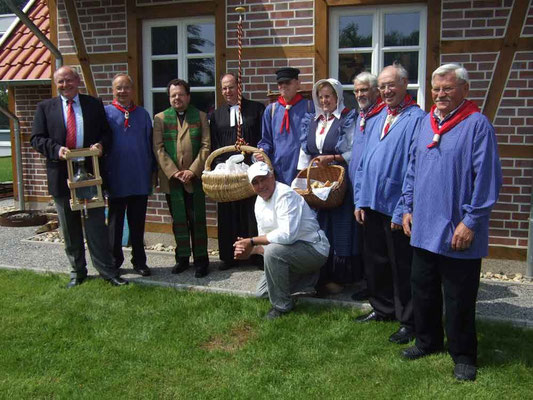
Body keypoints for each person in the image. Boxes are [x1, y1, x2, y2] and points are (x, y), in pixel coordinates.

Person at [400, 64, 502, 382]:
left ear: (464, 90)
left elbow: (487, 178)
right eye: (436, 89)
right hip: (424, 225)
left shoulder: (477, 125)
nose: (440, 94)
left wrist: (471, 221)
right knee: (423, 288)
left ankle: (463, 355)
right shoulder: (425, 123)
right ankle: (428, 341)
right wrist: (407, 207)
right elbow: (413, 168)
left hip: (459, 229)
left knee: (459, 295)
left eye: (447, 88)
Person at [31, 66, 128, 288]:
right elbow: (36, 138)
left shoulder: (93, 104)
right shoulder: (46, 108)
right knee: (69, 225)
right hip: (61, 174)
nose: (65, 85)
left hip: (90, 171)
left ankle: (107, 271)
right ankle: (77, 271)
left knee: (95, 224)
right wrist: (57, 149)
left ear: (77, 80)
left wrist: (101, 145)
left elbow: (107, 133)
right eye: (60, 82)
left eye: (69, 80)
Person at [353, 64, 426, 345]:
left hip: (395, 207)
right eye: (382, 86)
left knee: (402, 267)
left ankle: (408, 320)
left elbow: (413, 166)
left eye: (390, 85)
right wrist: (360, 199)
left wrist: (402, 208)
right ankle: (382, 308)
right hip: (370, 202)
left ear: (405, 84)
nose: (385, 91)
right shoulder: (379, 115)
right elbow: (363, 162)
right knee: (376, 262)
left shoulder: (416, 118)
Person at [233, 162, 330, 319]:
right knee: (262, 293)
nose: (260, 185)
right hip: (291, 252)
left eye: (263, 179)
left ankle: (282, 306)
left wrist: (251, 241)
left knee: (273, 252)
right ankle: (310, 280)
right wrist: (251, 251)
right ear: (252, 187)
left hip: (314, 249)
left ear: (272, 177)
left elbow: (287, 235)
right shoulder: (259, 202)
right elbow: (267, 241)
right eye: (255, 182)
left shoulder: (286, 194)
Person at [297, 78, 360, 295]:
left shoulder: (346, 119)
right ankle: (319, 276)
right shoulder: (312, 120)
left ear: (338, 98)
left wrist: (333, 157)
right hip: (317, 181)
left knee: (339, 228)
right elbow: (305, 151)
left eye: (329, 96)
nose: (325, 101)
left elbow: (354, 151)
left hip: (339, 181)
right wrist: (302, 176)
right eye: (321, 96)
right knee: (318, 227)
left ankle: (340, 277)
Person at [153, 79, 210, 278]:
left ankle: (201, 260)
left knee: (197, 220)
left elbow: (206, 146)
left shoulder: (200, 116)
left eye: (180, 94)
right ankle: (182, 259)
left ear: (188, 96)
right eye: (173, 95)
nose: (177, 98)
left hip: (194, 179)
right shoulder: (160, 118)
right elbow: (158, 148)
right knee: (178, 220)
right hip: (173, 181)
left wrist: (192, 170)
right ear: (169, 98)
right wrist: (174, 172)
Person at [209, 72, 265, 270]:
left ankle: (257, 256)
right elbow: (215, 145)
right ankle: (229, 256)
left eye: (231, 87)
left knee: (253, 213)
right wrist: (223, 166)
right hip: (228, 173)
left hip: (252, 172)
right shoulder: (216, 115)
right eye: (224, 88)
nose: (227, 91)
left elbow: (262, 138)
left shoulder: (256, 109)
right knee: (228, 214)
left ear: (239, 87)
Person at [104, 73, 155, 277]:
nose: (122, 91)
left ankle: (139, 261)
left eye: (126, 87)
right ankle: (114, 261)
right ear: (113, 90)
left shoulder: (143, 114)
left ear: (132, 90)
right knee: (115, 224)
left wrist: (152, 172)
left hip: (139, 177)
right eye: (119, 88)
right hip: (116, 177)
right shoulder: (106, 113)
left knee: (138, 223)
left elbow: (150, 145)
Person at [348, 71, 385, 301]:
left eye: (364, 90)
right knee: (366, 244)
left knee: (376, 248)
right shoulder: (361, 115)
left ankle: (379, 291)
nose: (360, 94)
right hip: (358, 188)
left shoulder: (380, 116)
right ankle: (370, 285)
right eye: (357, 91)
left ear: (375, 91)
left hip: (373, 190)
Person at [255, 67, 313, 185]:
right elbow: (266, 141)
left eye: (288, 82)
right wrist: (262, 152)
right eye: (280, 83)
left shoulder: (309, 107)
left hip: (302, 170)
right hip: (278, 171)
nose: (283, 86)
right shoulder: (271, 110)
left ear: (297, 84)